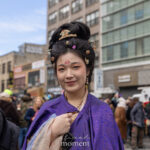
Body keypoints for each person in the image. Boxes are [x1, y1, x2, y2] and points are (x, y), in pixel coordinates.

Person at [22, 22, 124, 150]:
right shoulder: (48, 109)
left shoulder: (103, 111)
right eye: (62, 69)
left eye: (75, 67)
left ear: (87, 69)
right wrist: (51, 131)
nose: (68, 75)